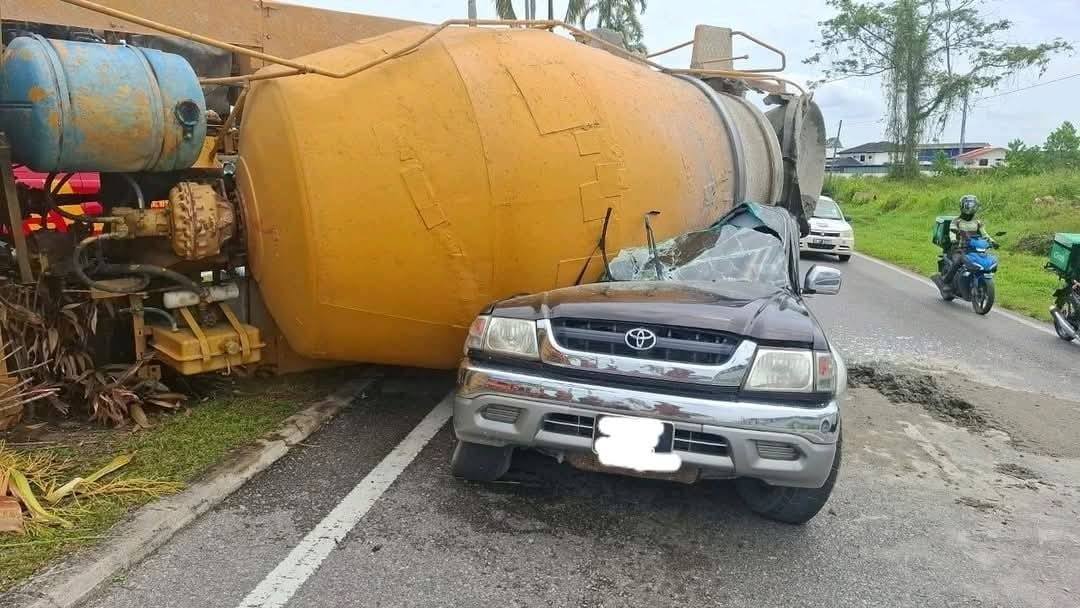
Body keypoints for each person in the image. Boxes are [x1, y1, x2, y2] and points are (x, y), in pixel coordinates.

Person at [941, 194, 994, 292]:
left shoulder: (978, 222)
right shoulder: (956, 221)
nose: (970, 208)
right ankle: (946, 282)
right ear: (962, 206)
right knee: (957, 262)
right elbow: (952, 231)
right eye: (968, 205)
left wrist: (992, 241)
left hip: (973, 248)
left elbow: (984, 234)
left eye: (973, 205)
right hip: (959, 248)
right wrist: (953, 240)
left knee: (984, 261)